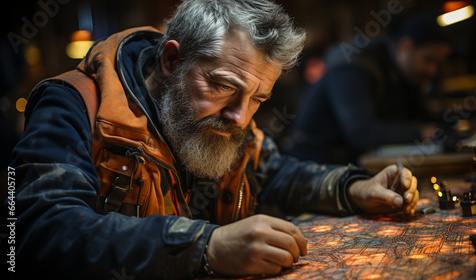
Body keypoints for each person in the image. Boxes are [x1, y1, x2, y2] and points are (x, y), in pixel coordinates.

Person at [10, 0, 419, 279]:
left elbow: (273, 171)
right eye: (223, 86)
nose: (241, 116)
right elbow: (39, 233)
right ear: (172, 60)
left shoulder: (224, 119)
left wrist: (351, 188)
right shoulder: (72, 102)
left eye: (258, 98)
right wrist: (205, 246)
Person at [285, 14, 452, 165]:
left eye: (438, 64)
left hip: (348, 164)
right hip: (314, 166)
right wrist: (420, 132)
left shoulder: (401, 72)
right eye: (429, 60)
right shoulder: (354, 66)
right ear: (406, 47)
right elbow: (361, 133)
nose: (433, 71)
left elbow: (423, 117)